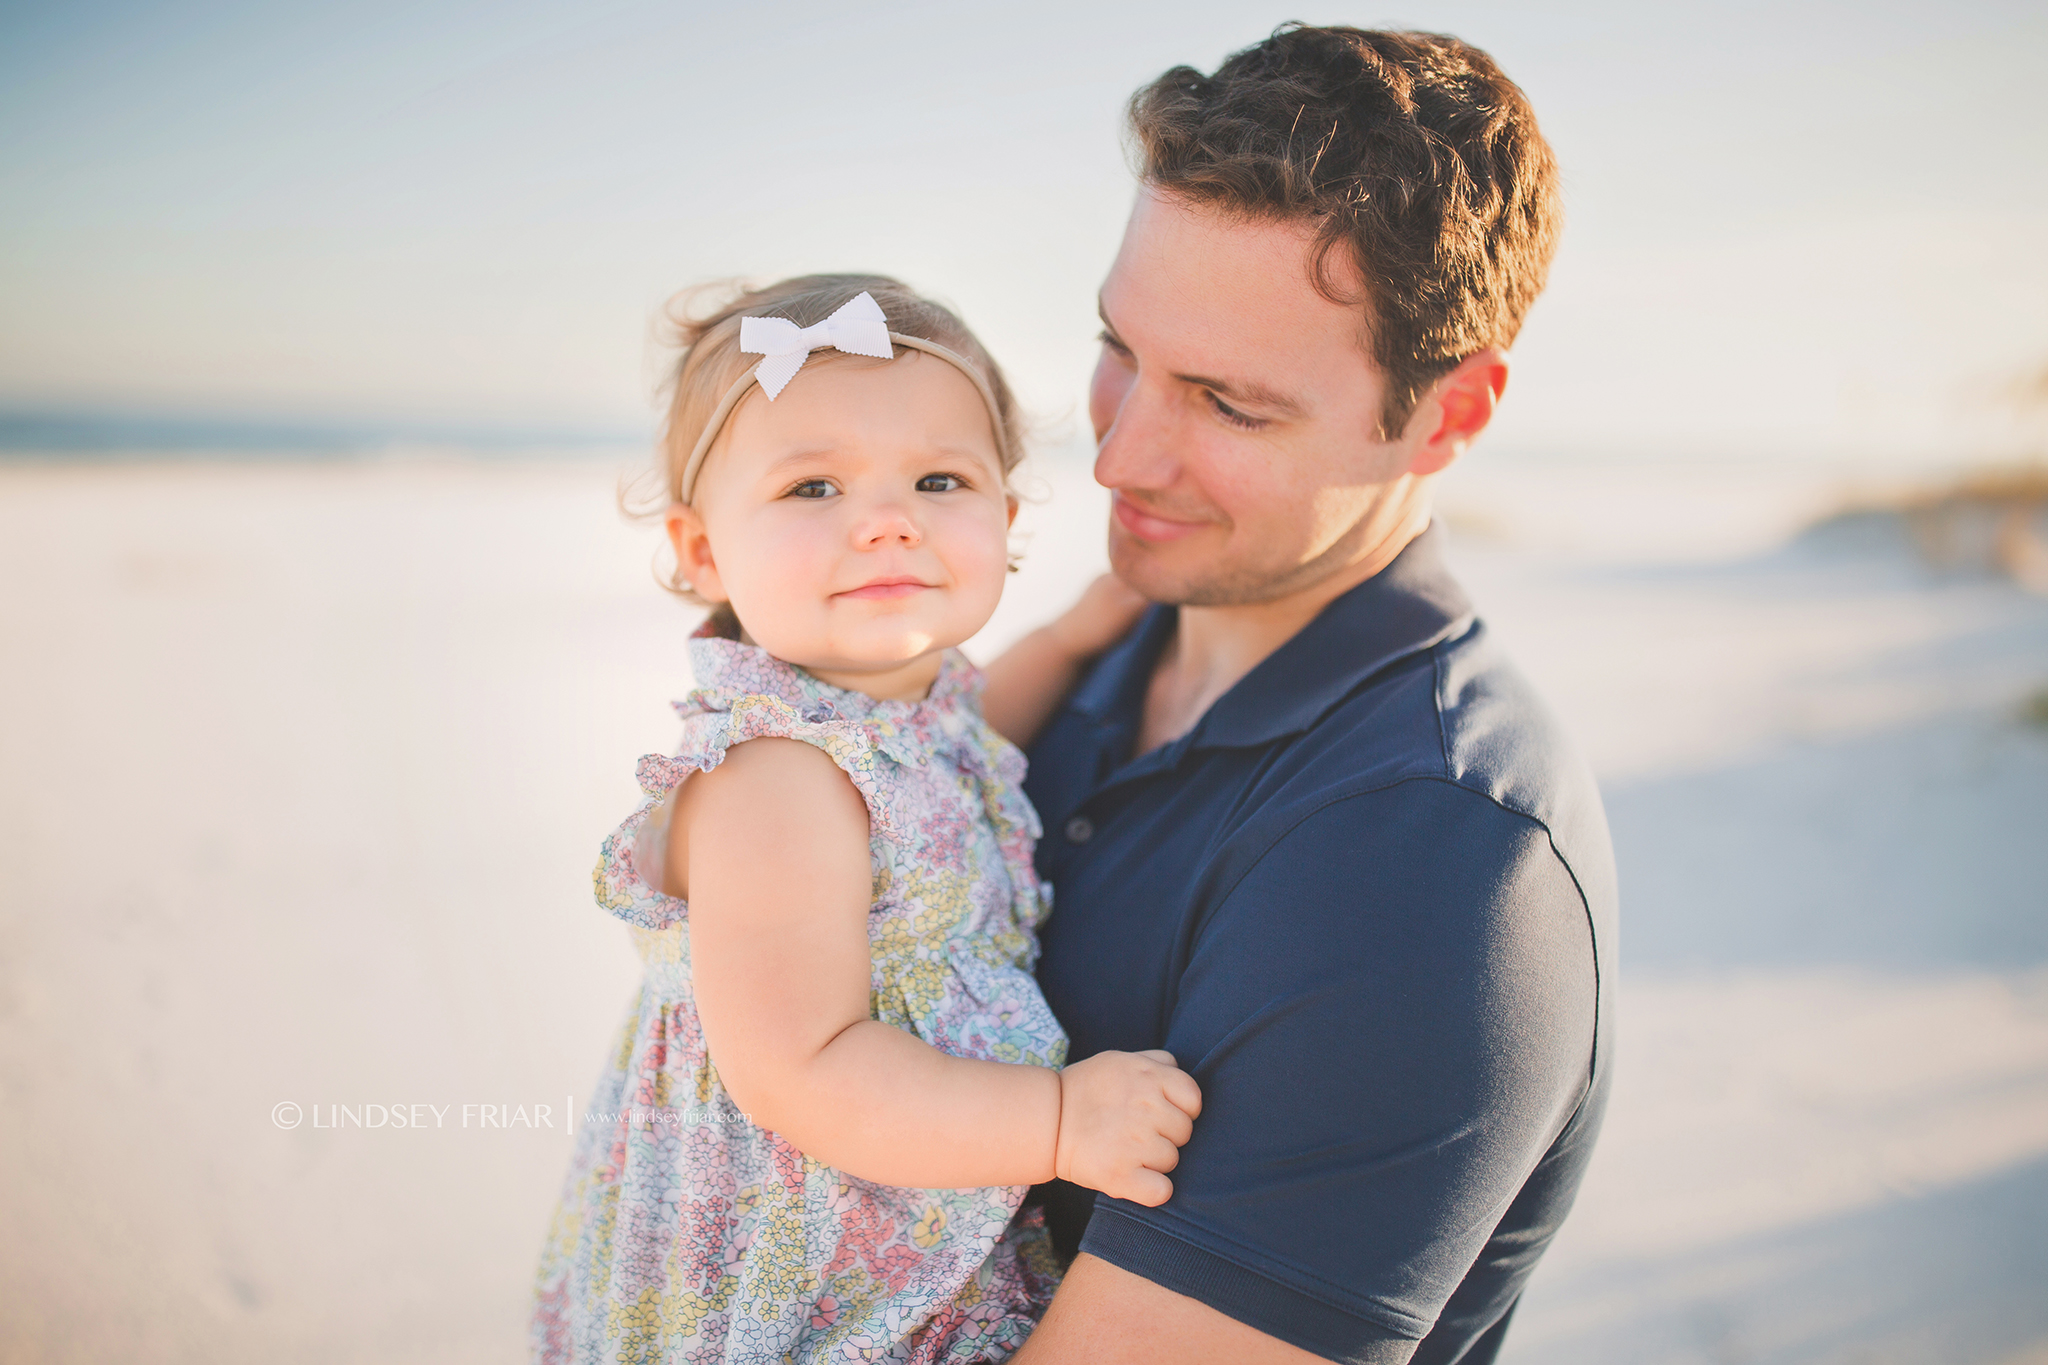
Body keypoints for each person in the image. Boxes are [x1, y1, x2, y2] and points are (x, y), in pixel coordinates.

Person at [978, 25, 1619, 1365]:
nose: (1116, 454)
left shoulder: (1432, 855)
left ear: (1444, 416)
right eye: (1119, 347)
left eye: (1227, 402)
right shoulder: (1100, 647)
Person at [530, 276, 1202, 1364]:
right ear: (701, 551)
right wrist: (1060, 1123)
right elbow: (805, 1067)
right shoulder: (775, 783)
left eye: (938, 480)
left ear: (1006, 521)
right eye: (811, 488)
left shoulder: (900, 705)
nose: (887, 521)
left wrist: (1079, 636)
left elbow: (975, 723)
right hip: (800, 1261)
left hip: (907, 1191)